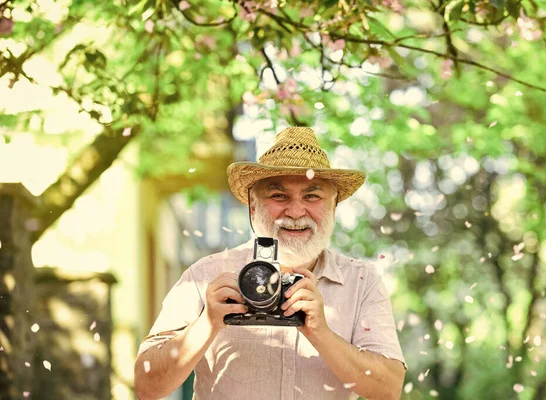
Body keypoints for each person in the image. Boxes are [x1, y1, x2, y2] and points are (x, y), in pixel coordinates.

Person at [134, 127, 406, 400]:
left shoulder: (362, 282)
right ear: (253, 206)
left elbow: (388, 389)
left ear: (333, 207)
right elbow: (146, 386)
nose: (296, 211)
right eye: (278, 196)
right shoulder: (206, 275)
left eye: (312, 196)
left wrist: (320, 332)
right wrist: (207, 323)